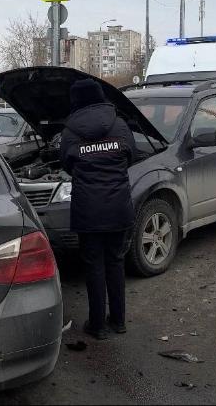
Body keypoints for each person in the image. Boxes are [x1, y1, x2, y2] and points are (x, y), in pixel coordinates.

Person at [60, 78, 136, 341]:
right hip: (118, 208)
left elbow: (66, 164)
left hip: (88, 211)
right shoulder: (119, 124)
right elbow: (130, 156)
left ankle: (97, 325)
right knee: (116, 262)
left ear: (76, 101)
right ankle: (118, 320)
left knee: (94, 266)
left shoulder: (70, 131)